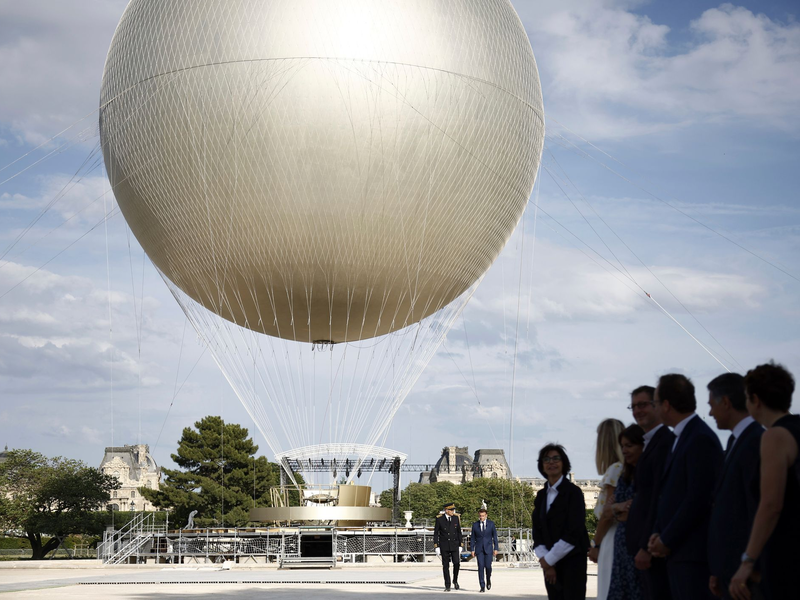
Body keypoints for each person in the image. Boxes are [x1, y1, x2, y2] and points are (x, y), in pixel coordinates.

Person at [648, 374, 723, 599]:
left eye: (655, 403)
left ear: (666, 405)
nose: (655, 408)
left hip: (692, 554)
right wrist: (657, 532)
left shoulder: (699, 438)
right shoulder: (683, 437)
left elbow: (698, 498)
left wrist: (666, 538)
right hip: (679, 551)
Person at [730, 362, 798, 600]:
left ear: (755, 400)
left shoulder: (775, 436)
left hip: (785, 553)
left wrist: (747, 561)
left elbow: (771, 504)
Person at [706, 372, 763, 599]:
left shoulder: (755, 442)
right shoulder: (736, 440)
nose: (710, 412)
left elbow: (756, 507)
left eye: (711, 405)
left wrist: (750, 563)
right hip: (730, 568)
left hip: (745, 572)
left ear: (726, 403)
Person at [624, 385, 674, 600]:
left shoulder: (663, 443)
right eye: (633, 406)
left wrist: (645, 545)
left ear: (659, 406)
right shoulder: (652, 442)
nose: (637, 411)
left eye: (643, 404)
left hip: (652, 549)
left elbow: (658, 498)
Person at [532, 444, 589, 600]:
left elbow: (574, 531)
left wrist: (548, 561)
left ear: (564, 463)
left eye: (556, 458)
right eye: (547, 459)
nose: (551, 462)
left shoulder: (574, 493)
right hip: (549, 561)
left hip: (572, 561)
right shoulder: (541, 495)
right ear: (542, 465)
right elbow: (537, 530)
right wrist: (546, 559)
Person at [589, 418, 625, 600]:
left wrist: (595, 543)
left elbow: (607, 515)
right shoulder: (624, 469)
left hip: (611, 540)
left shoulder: (614, 471)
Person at [607, 424, 645, 600]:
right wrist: (620, 508)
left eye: (629, 445)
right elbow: (612, 508)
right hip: (623, 541)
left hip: (638, 540)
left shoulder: (646, 474)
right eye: (623, 446)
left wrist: (619, 508)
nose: (625, 450)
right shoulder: (624, 475)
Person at [434, 502, 463, 592]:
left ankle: (455, 580)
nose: (453, 511)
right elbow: (436, 533)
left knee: (457, 563)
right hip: (444, 545)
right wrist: (436, 545)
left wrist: (460, 544)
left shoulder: (456, 518)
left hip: (454, 544)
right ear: (446, 510)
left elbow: (458, 532)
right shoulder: (439, 519)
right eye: (451, 510)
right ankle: (447, 584)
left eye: (453, 510)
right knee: (445, 566)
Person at [471, 507, 499, 592]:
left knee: (488, 567)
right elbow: (472, 538)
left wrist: (496, 548)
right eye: (480, 516)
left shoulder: (491, 524)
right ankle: (482, 585)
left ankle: (488, 579)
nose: (481, 517)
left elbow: (495, 537)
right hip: (479, 550)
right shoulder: (475, 525)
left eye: (483, 516)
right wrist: (472, 549)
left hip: (488, 549)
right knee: (480, 567)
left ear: (486, 515)